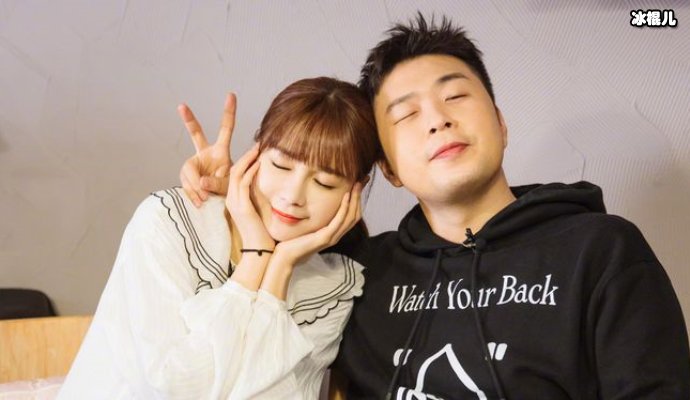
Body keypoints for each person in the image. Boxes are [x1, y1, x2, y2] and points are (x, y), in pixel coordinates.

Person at [181, 14, 690, 400]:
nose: (437, 121)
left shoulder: (600, 250)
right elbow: (231, 368)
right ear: (387, 168)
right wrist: (240, 200)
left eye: (456, 98)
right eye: (406, 115)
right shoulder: (356, 273)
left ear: (500, 123)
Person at [58, 77, 381, 399]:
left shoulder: (333, 289)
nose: (292, 196)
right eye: (280, 165)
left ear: (357, 189)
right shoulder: (169, 222)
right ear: (255, 153)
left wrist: (279, 267)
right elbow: (169, 388)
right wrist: (256, 257)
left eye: (324, 183)